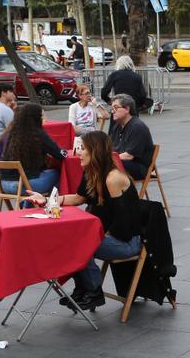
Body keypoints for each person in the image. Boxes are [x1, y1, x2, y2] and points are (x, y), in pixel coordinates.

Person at [26, 131, 141, 311]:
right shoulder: (93, 172)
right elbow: (79, 198)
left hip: (127, 241)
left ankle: (93, 291)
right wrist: (47, 200)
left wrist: (93, 236)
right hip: (110, 235)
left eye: (82, 148)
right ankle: (83, 288)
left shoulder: (113, 178)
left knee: (77, 245)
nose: (77, 152)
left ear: (94, 151)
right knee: (69, 241)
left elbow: (124, 224)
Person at [0, 103, 66, 196]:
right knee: (59, 175)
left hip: (4, 185)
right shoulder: (38, 134)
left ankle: (29, 204)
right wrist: (65, 151)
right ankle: (45, 204)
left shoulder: (7, 134)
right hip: (26, 186)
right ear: (37, 118)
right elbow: (59, 154)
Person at [108, 93, 154, 180]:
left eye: (116, 108)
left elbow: (129, 156)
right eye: (112, 108)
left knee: (105, 165)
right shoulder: (118, 125)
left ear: (127, 109)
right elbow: (111, 148)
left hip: (138, 167)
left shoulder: (137, 127)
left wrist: (106, 159)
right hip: (123, 162)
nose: (112, 111)